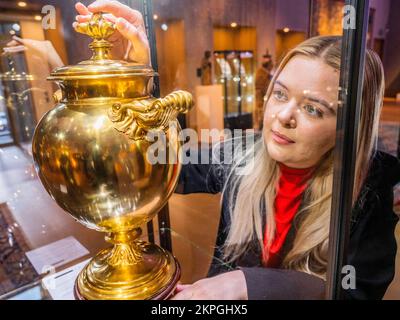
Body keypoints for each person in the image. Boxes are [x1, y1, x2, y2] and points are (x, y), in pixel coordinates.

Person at [72, 0, 400, 300]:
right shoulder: (241, 153)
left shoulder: (367, 190)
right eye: (281, 94)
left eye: (313, 109)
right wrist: (132, 83)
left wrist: (247, 284)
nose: (283, 116)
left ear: (348, 128)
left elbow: (358, 292)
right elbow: (162, 164)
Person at [254, 51, 274, 131]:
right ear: (268, 65)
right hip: (261, 101)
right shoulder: (260, 73)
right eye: (271, 64)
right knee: (261, 120)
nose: (272, 66)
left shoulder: (267, 74)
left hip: (266, 100)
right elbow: (259, 88)